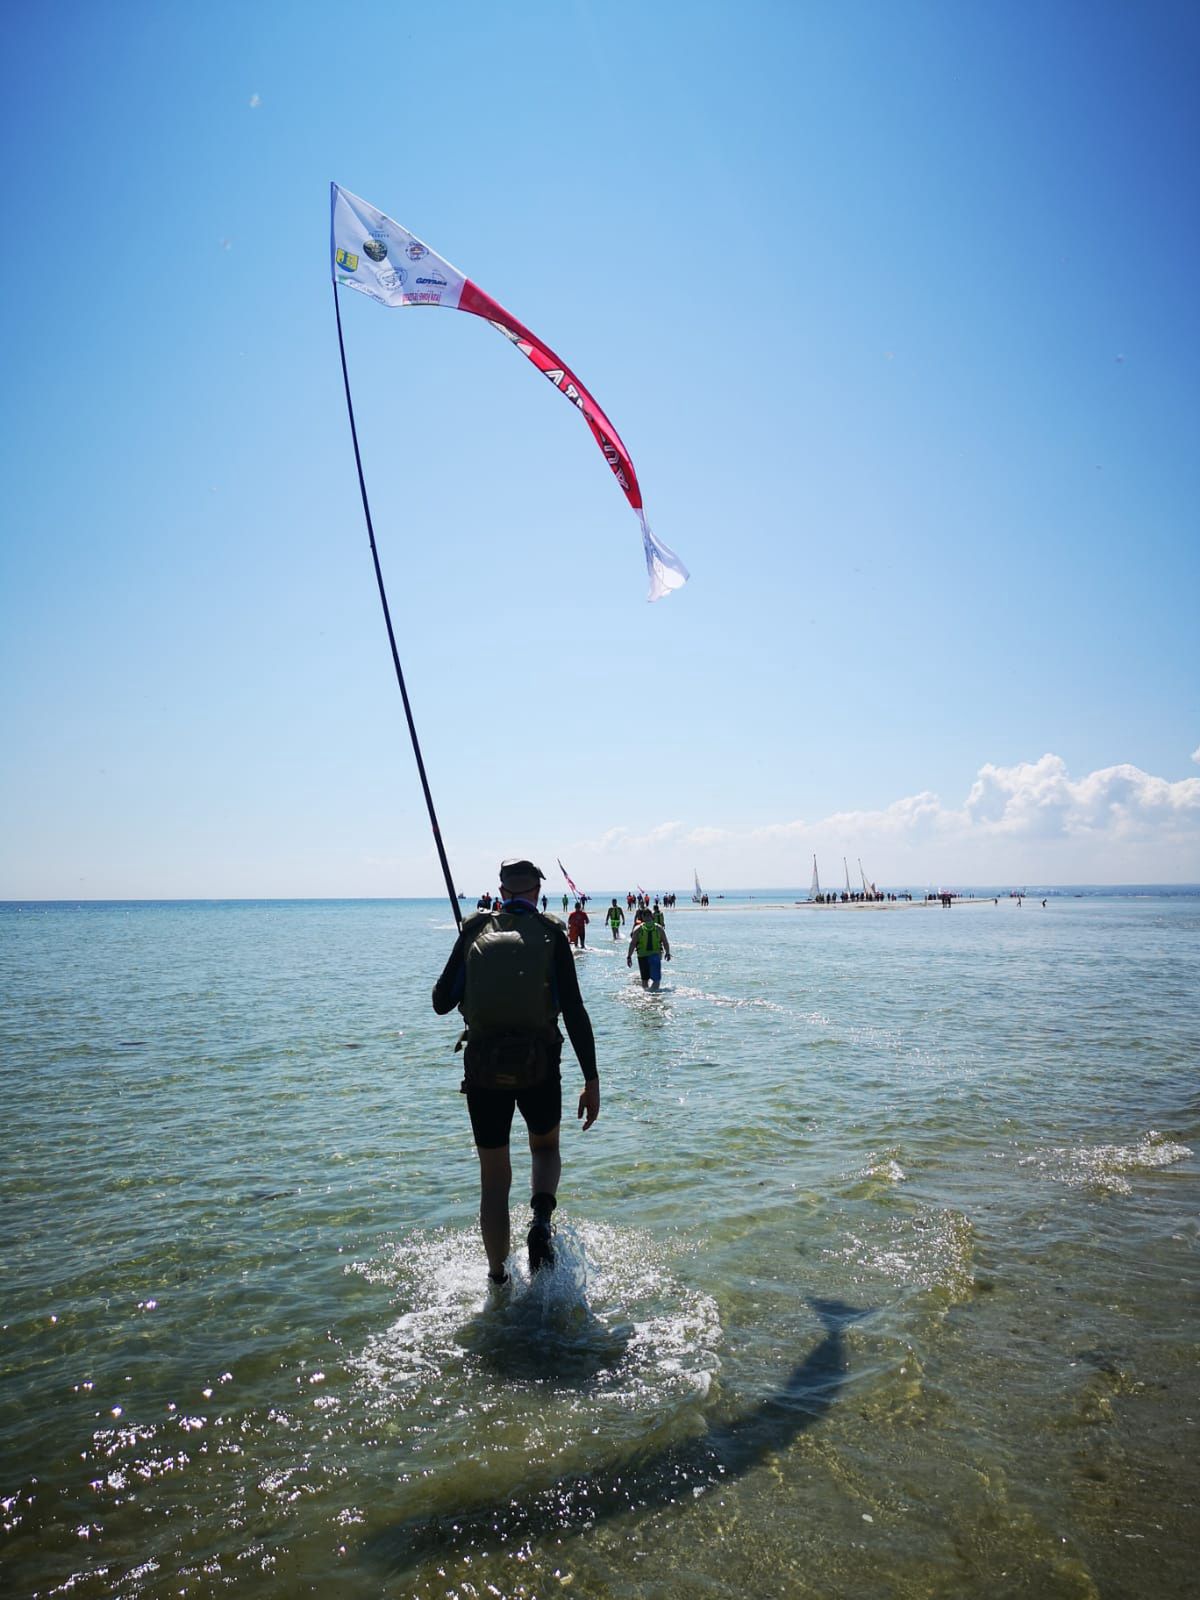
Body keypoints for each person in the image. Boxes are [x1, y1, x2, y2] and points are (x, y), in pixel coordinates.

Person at [432, 859, 600, 1288]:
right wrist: (591, 1079)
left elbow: (440, 1002)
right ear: (537, 893)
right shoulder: (550, 934)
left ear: (502, 890)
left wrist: (466, 953)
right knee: (544, 1149)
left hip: (484, 1072)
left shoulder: (474, 932)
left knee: (494, 1180)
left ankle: (498, 1280)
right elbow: (575, 1012)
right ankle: (541, 1218)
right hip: (540, 1067)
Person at [628, 909, 671, 989]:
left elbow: (633, 944)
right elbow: (665, 942)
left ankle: (647, 997)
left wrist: (629, 957)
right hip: (655, 956)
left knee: (644, 980)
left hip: (642, 956)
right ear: (652, 916)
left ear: (643, 917)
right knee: (656, 980)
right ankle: (653, 997)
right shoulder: (659, 928)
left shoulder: (638, 929)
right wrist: (667, 953)